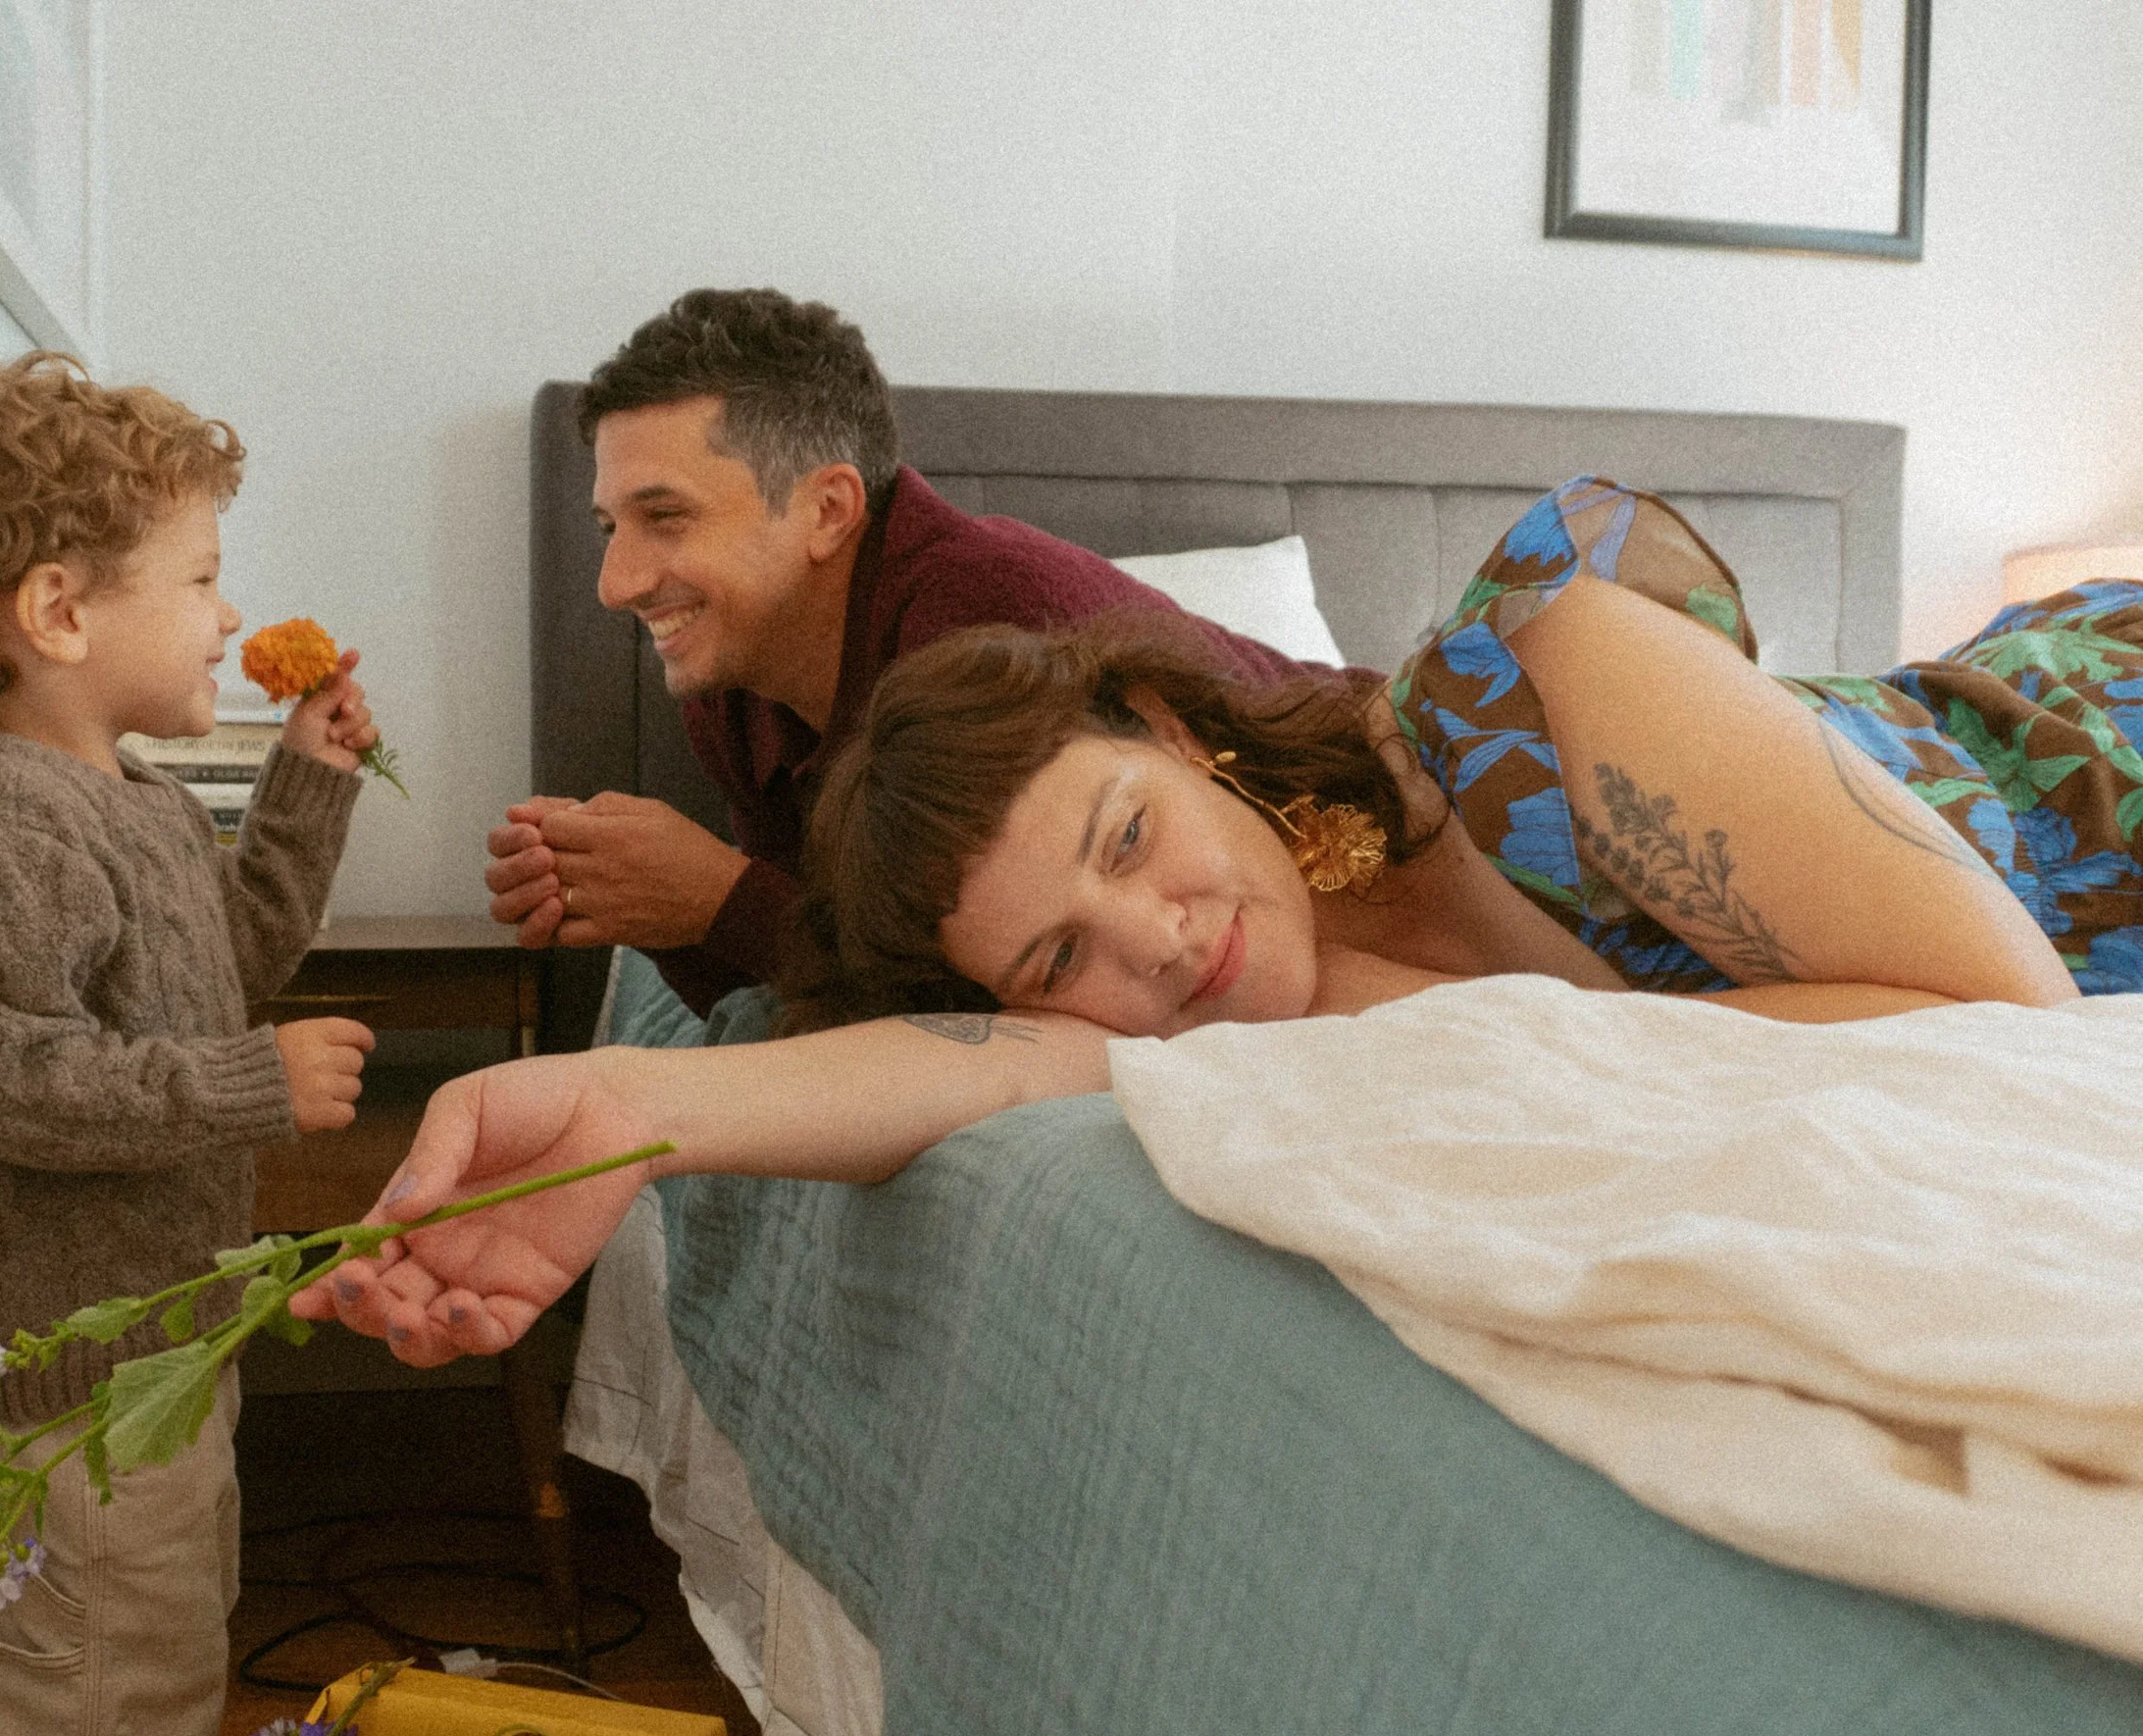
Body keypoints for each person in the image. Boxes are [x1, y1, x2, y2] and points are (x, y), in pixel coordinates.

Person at [303, 476, 2143, 1367]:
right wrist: (632, 1108)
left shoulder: (1549, 680)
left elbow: (2003, 1023)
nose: (1158, 942)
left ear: (1176, 729)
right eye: (1058, 957)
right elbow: (985, 1068)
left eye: (1129, 834)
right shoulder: (1218, 1014)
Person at [0, 353, 380, 1736]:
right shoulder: (0, 832)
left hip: (151, 1358)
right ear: (60, 611)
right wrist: (251, 1082)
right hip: (63, 1408)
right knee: (87, 1703)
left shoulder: (132, 800)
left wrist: (307, 784)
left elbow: (221, 962)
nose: (229, 613)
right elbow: (7, 1080)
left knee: (158, 1668)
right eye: (201, 578)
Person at [484, 285, 1360, 1013]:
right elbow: (817, 981)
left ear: (828, 510)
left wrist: (721, 898)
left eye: (665, 517)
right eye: (610, 528)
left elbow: (992, 983)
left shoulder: (995, 618)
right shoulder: (733, 687)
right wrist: (637, 902)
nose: (615, 584)